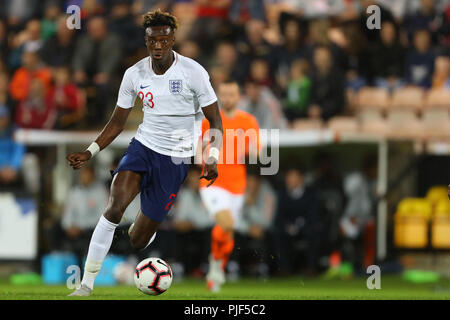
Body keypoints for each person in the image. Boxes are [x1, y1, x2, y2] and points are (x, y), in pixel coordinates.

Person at [66, 9, 223, 296]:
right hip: (143, 147)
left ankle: (143, 230)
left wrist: (211, 157)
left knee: (138, 240)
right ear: (146, 40)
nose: (158, 46)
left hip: (175, 159)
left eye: (164, 39)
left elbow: (216, 121)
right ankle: (86, 284)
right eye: (153, 40)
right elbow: (116, 123)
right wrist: (90, 152)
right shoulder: (134, 74)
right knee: (114, 207)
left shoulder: (194, 72)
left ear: (173, 38)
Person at [199, 80, 260, 292]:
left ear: (238, 97)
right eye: (223, 94)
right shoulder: (209, 120)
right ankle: (215, 268)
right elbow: (198, 150)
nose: (227, 98)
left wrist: (249, 149)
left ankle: (217, 267)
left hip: (237, 185)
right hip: (213, 183)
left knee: (229, 230)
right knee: (225, 223)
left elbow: (256, 152)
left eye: (231, 94)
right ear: (218, 97)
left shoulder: (248, 121)